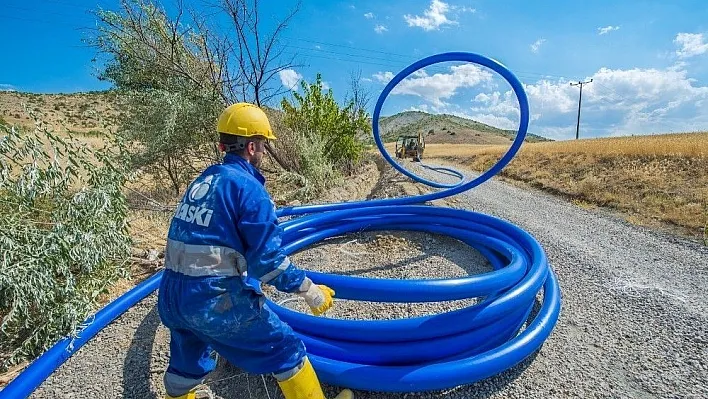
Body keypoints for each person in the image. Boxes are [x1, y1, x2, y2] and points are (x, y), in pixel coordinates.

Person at [157, 102, 353, 399]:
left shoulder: (205, 180)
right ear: (251, 146)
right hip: (212, 299)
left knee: (187, 359)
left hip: (172, 296)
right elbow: (267, 261)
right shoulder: (248, 188)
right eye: (263, 144)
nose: (264, 151)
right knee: (284, 348)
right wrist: (310, 291)